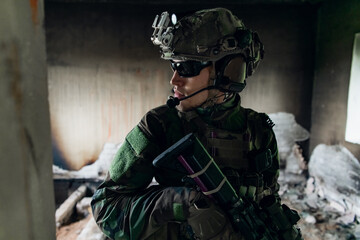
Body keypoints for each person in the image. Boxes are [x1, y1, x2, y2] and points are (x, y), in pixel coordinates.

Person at [92, 8, 300, 240]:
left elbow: (269, 201)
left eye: (187, 67)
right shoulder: (160, 125)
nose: (174, 79)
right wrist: (179, 203)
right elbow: (106, 207)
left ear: (228, 71)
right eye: (174, 65)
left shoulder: (260, 130)